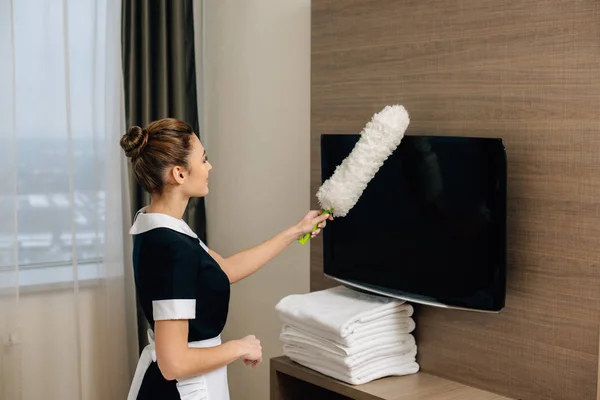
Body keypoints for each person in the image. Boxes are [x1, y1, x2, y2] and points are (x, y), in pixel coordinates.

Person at [120, 118, 332, 400]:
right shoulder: (172, 248)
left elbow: (225, 269)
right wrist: (239, 347)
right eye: (203, 159)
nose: (209, 167)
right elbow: (175, 363)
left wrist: (296, 231)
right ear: (180, 174)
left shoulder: (157, 224)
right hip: (184, 390)